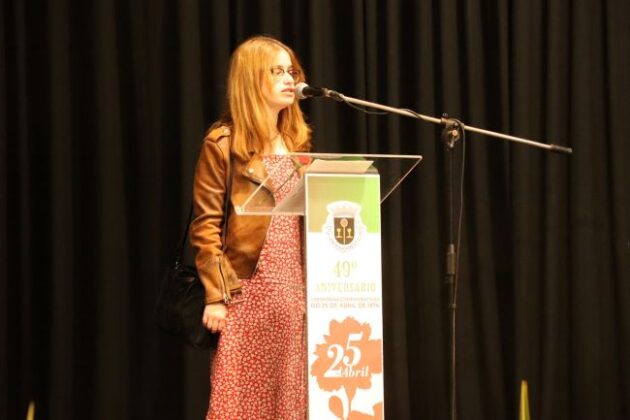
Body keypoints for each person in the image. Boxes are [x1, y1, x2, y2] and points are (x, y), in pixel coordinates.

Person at [189, 35, 312, 420]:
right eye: (277, 71)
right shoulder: (223, 143)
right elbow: (205, 225)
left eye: (291, 71)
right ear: (251, 79)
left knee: (287, 405)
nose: (289, 79)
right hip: (244, 295)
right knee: (239, 405)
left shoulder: (296, 144)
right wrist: (216, 294)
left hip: (293, 294)